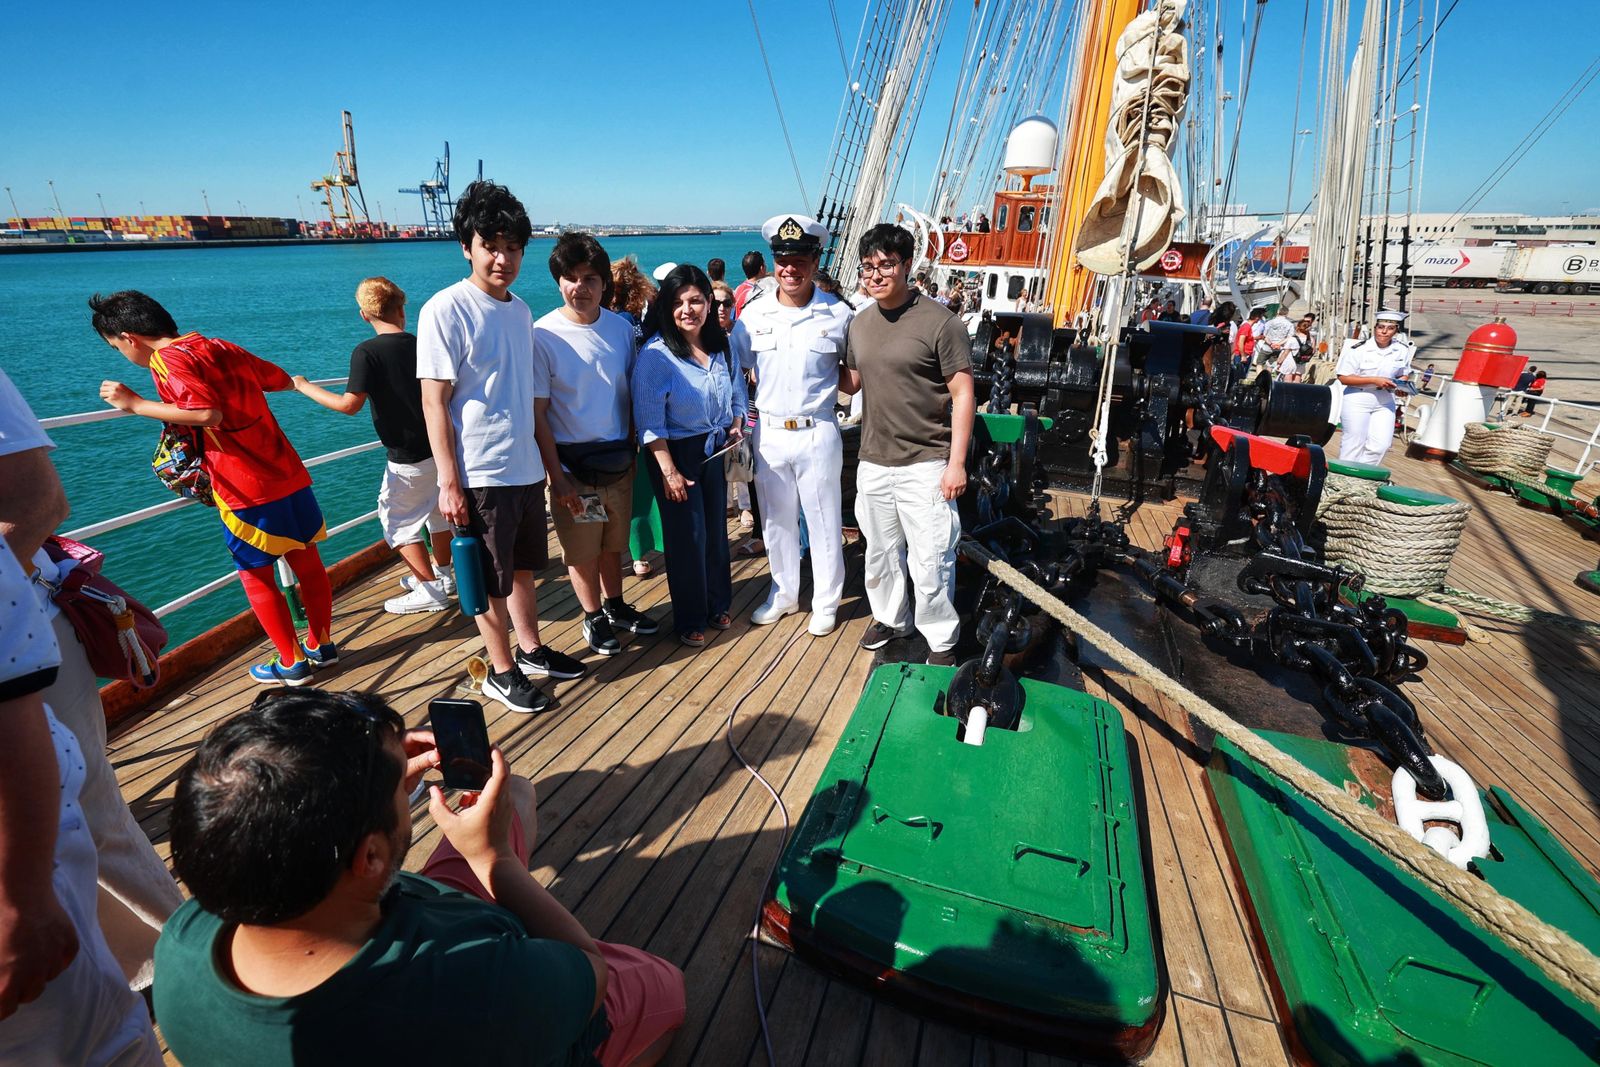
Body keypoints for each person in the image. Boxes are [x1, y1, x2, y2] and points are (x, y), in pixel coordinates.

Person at [153, 687, 685, 1067]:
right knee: (663, 988)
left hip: (393, 903)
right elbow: (591, 971)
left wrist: (374, 793)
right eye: (398, 795)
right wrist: (494, 859)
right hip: (506, 986)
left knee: (515, 792)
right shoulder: (468, 988)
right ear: (371, 858)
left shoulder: (186, 938)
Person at [0, 371, 170, 1065]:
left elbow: (41, 499)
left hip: (25, 644)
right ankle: (143, 967)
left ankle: (192, 950)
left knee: (92, 811)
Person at [94, 290, 339, 685]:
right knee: (307, 563)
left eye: (115, 347)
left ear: (129, 338)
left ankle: (292, 663)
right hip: (287, 470)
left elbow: (206, 412)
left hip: (243, 483)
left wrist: (135, 404)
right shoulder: (218, 345)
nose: (123, 355)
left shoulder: (166, 359)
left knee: (255, 574)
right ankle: (322, 645)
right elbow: (276, 378)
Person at [417, 180, 586, 716]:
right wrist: (448, 480)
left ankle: (531, 650)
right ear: (466, 245)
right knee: (488, 577)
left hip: (523, 467)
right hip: (479, 471)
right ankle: (500, 670)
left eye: (513, 247)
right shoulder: (445, 309)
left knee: (521, 569)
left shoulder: (519, 311)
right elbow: (434, 403)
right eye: (491, 245)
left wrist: (550, 472)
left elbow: (526, 397)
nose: (503, 258)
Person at [839, 223, 975, 667]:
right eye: (868, 267)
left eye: (886, 265)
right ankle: (891, 619)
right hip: (874, 460)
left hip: (926, 461)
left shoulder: (941, 323)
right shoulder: (860, 324)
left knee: (931, 557)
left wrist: (956, 464)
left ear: (907, 265)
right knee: (878, 552)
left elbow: (962, 394)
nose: (875, 275)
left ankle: (940, 637)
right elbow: (852, 382)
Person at [292, 277, 456, 615]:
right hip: (441, 447)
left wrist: (303, 386)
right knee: (438, 512)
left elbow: (349, 404)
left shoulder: (367, 352)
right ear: (401, 309)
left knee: (397, 520)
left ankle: (430, 590)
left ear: (364, 315)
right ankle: (445, 574)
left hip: (407, 456)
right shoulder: (421, 343)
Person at [532, 233, 660, 658]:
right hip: (575, 467)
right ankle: (592, 617)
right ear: (558, 282)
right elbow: (538, 413)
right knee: (583, 548)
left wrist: (633, 449)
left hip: (618, 460)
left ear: (605, 284)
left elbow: (629, 390)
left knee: (613, 541)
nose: (579, 288)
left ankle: (616, 605)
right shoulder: (543, 336)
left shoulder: (621, 329)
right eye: (569, 278)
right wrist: (558, 476)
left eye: (589, 278)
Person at [731, 214, 853, 637]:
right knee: (776, 521)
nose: (789, 268)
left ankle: (825, 601)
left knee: (822, 520)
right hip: (769, 432)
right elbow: (735, 369)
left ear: (815, 260)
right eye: (782, 258)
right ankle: (783, 593)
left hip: (817, 429)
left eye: (799, 258)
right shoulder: (753, 315)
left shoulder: (838, 315)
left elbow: (856, 374)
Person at [632, 265, 748, 648]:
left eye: (696, 300)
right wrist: (669, 472)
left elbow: (735, 389)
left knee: (716, 530)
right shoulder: (656, 356)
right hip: (675, 452)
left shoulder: (720, 344)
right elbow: (649, 423)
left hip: (714, 446)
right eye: (679, 302)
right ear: (667, 306)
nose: (688, 309)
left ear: (708, 302)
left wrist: (735, 422)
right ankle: (689, 617)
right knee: (687, 538)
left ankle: (718, 602)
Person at [1335, 309, 1416, 464]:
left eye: (1390, 328)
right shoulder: (1359, 349)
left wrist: (1402, 385)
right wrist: (1374, 380)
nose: (1384, 332)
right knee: (1353, 444)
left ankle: (1363, 478)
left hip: (1385, 400)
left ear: (1396, 331)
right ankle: (1343, 480)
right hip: (1358, 398)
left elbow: (1402, 372)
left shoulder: (1401, 350)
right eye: (1380, 327)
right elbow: (1343, 377)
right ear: (1375, 328)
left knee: (1381, 445)